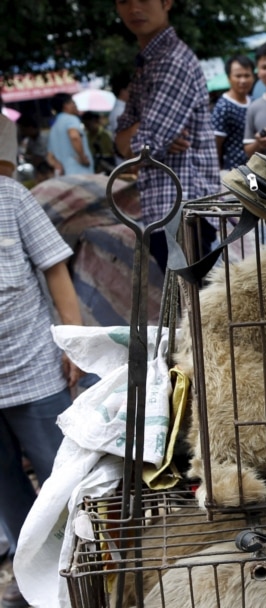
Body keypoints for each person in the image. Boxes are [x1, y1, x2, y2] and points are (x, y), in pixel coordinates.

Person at [0, 142, 84, 608]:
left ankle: (81, 565)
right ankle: (28, 576)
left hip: (33, 365)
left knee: (61, 476)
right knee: (5, 484)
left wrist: (71, 339)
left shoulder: (11, 197)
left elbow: (55, 266)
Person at [113, 0, 218, 276]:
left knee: (194, 310)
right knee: (188, 308)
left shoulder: (172, 61)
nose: (134, 8)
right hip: (167, 210)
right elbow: (122, 142)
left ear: (167, 2)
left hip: (183, 210)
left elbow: (141, 148)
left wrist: (142, 141)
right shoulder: (149, 63)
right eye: (124, 0)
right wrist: (143, 137)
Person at [212, 54, 254, 171]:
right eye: (238, 76)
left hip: (255, 169)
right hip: (234, 172)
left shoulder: (253, 101)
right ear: (229, 77)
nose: (243, 80)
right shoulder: (223, 107)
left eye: (247, 75)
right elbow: (216, 144)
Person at [46, 93, 93, 176]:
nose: (76, 106)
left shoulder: (54, 127)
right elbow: (74, 137)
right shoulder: (71, 119)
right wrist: (83, 159)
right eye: (73, 103)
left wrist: (58, 166)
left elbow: (49, 157)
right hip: (80, 172)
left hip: (65, 176)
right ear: (66, 106)